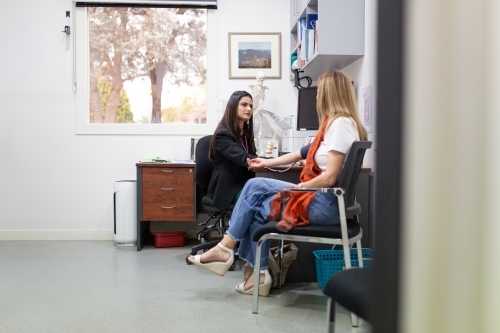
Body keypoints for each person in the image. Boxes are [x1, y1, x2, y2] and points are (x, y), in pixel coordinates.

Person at [188, 70, 368, 297]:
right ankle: (255, 272)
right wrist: (268, 161)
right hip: (324, 200)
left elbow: (330, 177)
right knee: (254, 200)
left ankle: (232, 253)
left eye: (320, 91)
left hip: (325, 203)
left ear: (330, 94)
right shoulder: (333, 126)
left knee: (254, 190)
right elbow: (298, 154)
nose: (316, 96)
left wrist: (298, 188)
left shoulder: (340, 125)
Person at [206, 91, 257, 214]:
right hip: (227, 187)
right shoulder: (223, 134)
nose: (248, 109)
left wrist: (273, 161)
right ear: (233, 107)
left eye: (250, 106)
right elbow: (242, 158)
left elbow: (252, 156)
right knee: (255, 201)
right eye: (244, 105)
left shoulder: (245, 133)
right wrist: (270, 162)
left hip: (242, 182)